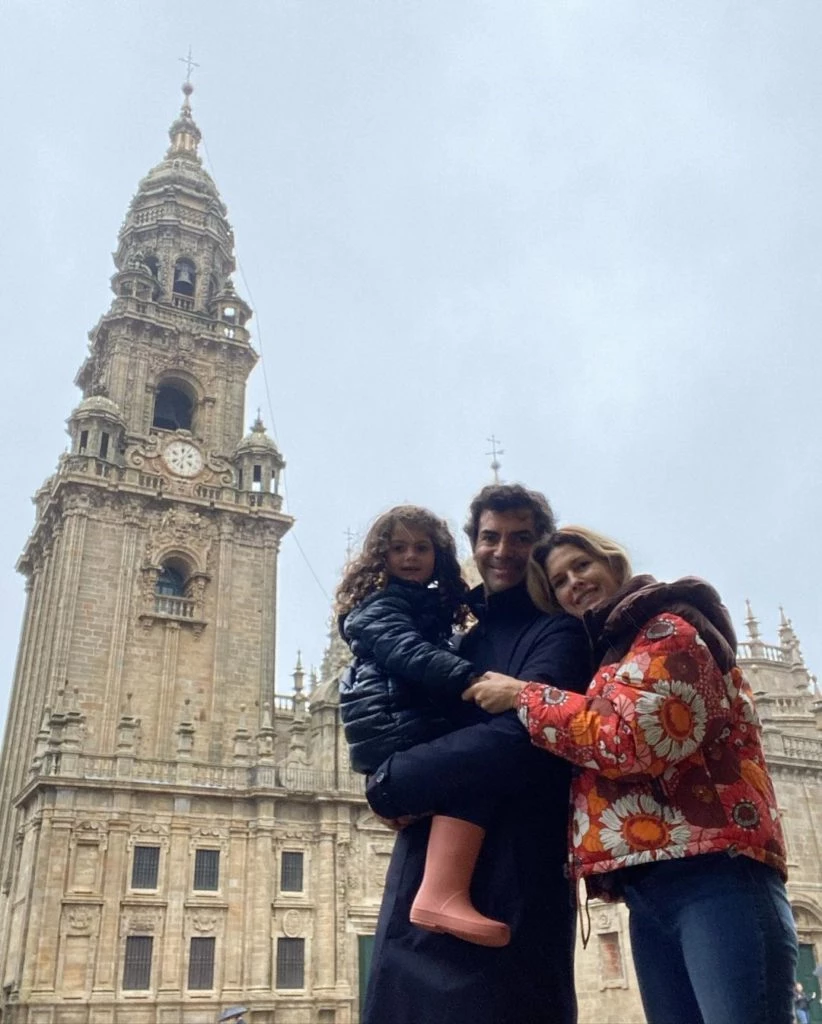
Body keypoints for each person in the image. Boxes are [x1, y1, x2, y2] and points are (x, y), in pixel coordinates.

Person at [465, 526, 798, 1024]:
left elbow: (636, 739)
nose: (573, 583)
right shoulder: (613, 654)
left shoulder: (669, 629)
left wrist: (523, 696)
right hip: (652, 887)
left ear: (613, 562)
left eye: (582, 566)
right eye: (559, 581)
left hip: (717, 872)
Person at [361, 485, 591, 1024]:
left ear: (540, 546)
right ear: (473, 543)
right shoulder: (459, 640)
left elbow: (525, 735)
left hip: (513, 878)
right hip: (424, 871)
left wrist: (395, 781)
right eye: (491, 537)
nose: (503, 551)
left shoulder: (558, 632)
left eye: (521, 538)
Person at [336, 504, 509, 947]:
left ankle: (444, 891)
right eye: (398, 548)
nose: (410, 556)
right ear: (381, 557)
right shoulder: (382, 608)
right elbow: (409, 653)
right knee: (486, 758)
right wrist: (471, 680)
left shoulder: (426, 608)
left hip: (408, 732)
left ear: (438, 555)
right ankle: (439, 894)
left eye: (421, 547)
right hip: (397, 736)